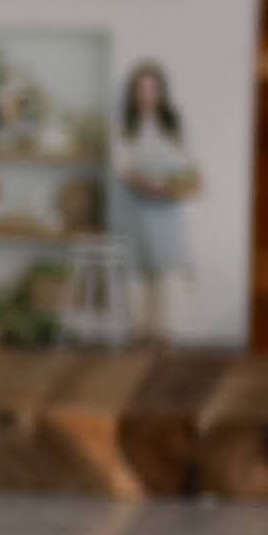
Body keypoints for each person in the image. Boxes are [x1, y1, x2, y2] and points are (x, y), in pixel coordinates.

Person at [113, 59, 201, 339]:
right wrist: (152, 184)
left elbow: (193, 173)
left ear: (161, 92)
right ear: (133, 93)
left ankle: (164, 342)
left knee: (169, 292)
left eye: (151, 88)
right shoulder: (125, 129)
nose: (146, 94)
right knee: (139, 292)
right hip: (136, 217)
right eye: (141, 88)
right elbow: (125, 172)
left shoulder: (173, 127)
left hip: (169, 222)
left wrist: (179, 186)